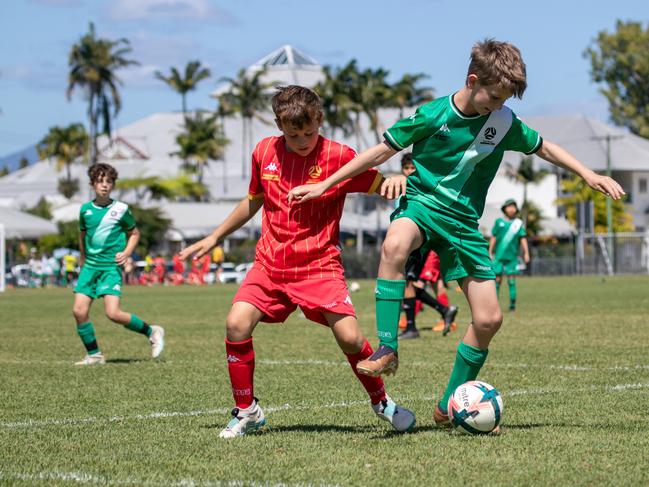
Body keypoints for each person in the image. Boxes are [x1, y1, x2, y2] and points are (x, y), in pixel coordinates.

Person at [288, 39, 624, 429]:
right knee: (394, 243)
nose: (497, 107)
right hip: (422, 206)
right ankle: (388, 347)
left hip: (463, 224)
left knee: (489, 319)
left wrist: (588, 174)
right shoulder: (433, 114)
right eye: (494, 97)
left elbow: (543, 147)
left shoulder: (502, 123)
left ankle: (449, 404)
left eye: (504, 100)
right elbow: (380, 152)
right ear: (473, 79)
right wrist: (324, 184)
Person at [179, 85, 415, 439]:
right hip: (270, 264)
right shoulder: (264, 152)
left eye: (309, 131)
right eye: (293, 134)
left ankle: (382, 402)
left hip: (319, 266)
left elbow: (380, 185)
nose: (303, 139)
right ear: (279, 125)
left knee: (351, 338)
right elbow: (253, 200)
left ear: (320, 120)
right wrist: (215, 236)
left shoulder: (338, 156)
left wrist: (398, 178)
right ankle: (247, 411)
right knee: (236, 324)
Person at [72, 163, 165, 365]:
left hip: (110, 267)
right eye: (100, 181)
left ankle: (151, 331)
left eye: (109, 182)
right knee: (79, 311)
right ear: (92, 184)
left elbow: (134, 233)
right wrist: (82, 260)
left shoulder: (121, 209)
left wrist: (126, 252)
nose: (104, 185)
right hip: (90, 267)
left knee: (112, 313)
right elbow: (82, 236)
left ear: (113, 184)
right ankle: (94, 354)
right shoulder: (85, 210)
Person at [398, 153, 458, 340]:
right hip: (409, 241)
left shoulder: (423, 188)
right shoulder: (402, 186)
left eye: (413, 168)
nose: (409, 171)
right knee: (410, 283)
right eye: (406, 168)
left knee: (409, 281)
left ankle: (411, 327)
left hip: (420, 242)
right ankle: (444, 310)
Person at [489, 198, 529, 312]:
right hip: (498, 257)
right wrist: (490, 251)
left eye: (513, 206)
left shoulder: (518, 224)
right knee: (497, 281)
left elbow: (523, 238)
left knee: (511, 281)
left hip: (512, 258)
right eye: (509, 206)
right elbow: (493, 237)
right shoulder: (499, 222)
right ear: (504, 209)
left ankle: (512, 306)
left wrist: (526, 253)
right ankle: (494, 307)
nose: (511, 209)